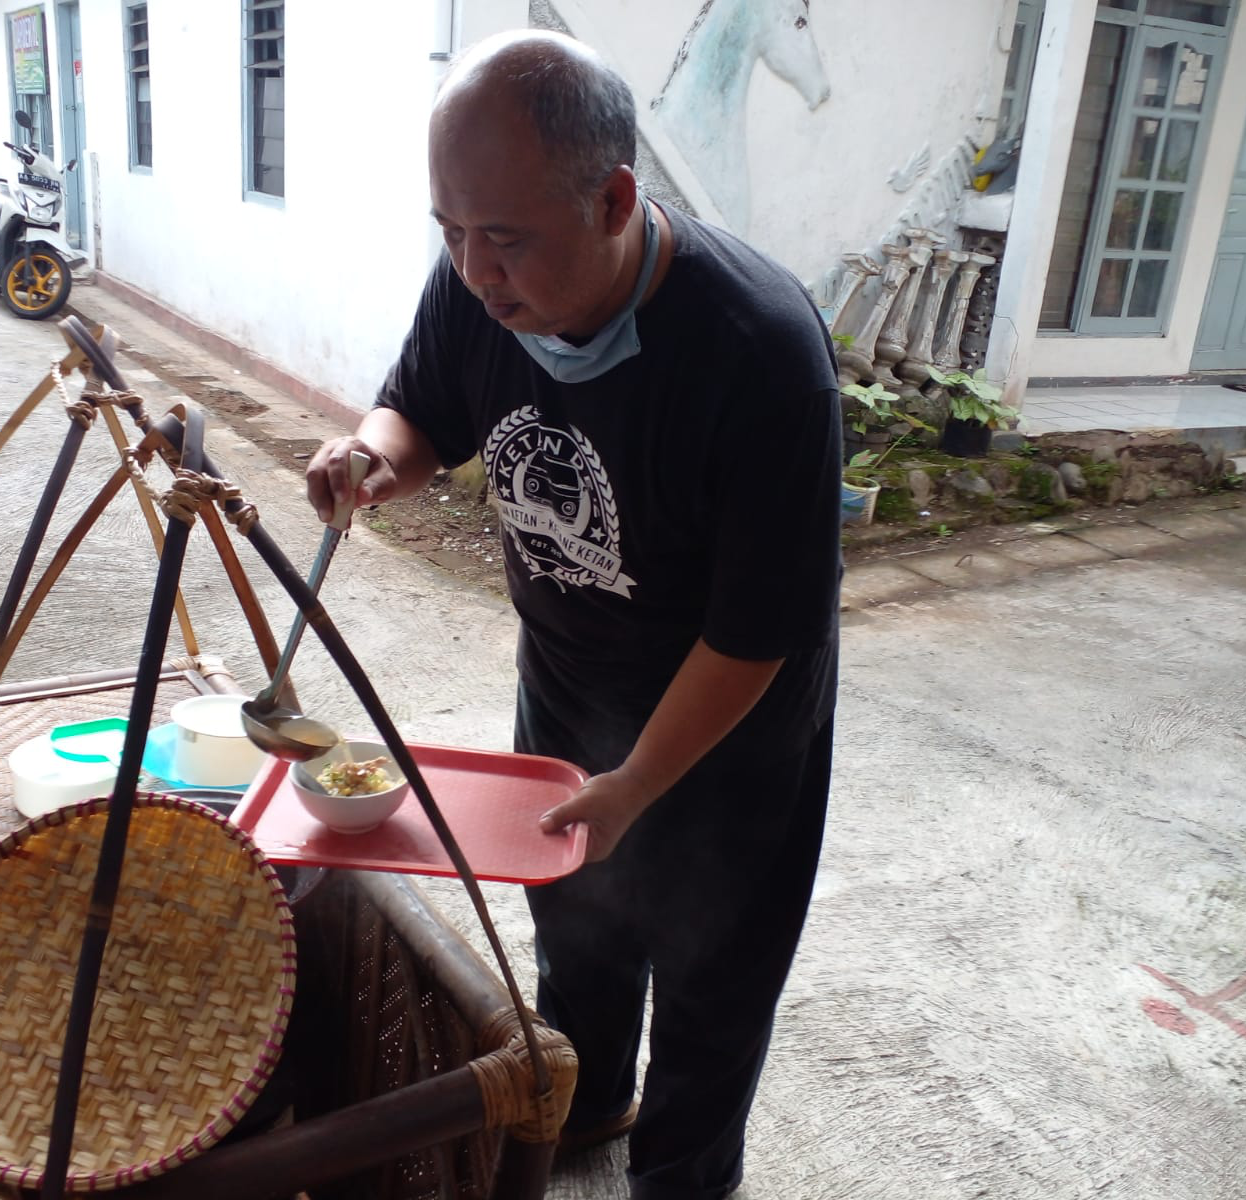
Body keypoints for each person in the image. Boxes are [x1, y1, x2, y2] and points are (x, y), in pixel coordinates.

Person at [305, 30, 842, 1200]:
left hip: (726, 728)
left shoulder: (759, 352)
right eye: (447, 230)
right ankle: (587, 1102)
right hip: (568, 681)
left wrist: (641, 783)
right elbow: (419, 411)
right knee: (579, 934)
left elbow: (756, 632)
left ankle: (681, 1177)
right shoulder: (475, 282)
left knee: (711, 975)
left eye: (502, 237)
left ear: (612, 200)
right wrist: (371, 458)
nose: (472, 266)